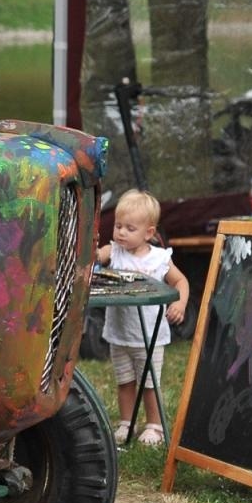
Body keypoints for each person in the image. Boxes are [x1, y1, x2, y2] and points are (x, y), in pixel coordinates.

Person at [97, 189, 190, 447]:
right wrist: (92, 254)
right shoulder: (114, 252)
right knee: (124, 380)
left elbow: (180, 281)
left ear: (148, 232)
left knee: (149, 383)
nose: (121, 232)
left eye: (129, 228)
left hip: (150, 336)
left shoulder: (159, 259)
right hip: (119, 334)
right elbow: (96, 256)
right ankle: (127, 423)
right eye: (117, 226)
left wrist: (180, 303)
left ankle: (155, 425)